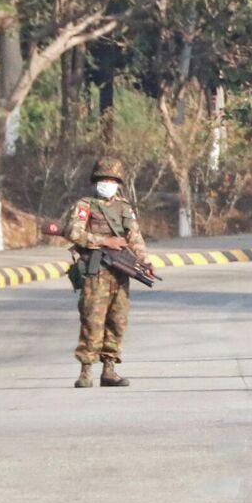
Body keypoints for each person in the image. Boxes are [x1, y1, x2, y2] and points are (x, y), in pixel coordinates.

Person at [65, 157, 152, 388]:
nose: (108, 183)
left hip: (120, 272)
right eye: (104, 179)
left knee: (117, 320)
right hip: (96, 271)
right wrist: (105, 241)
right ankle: (85, 371)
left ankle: (109, 369)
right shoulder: (85, 205)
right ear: (96, 181)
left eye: (112, 179)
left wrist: (145, 262)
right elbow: (74, 233)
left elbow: (135, 238)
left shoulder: (124, 207)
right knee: (92, 320)